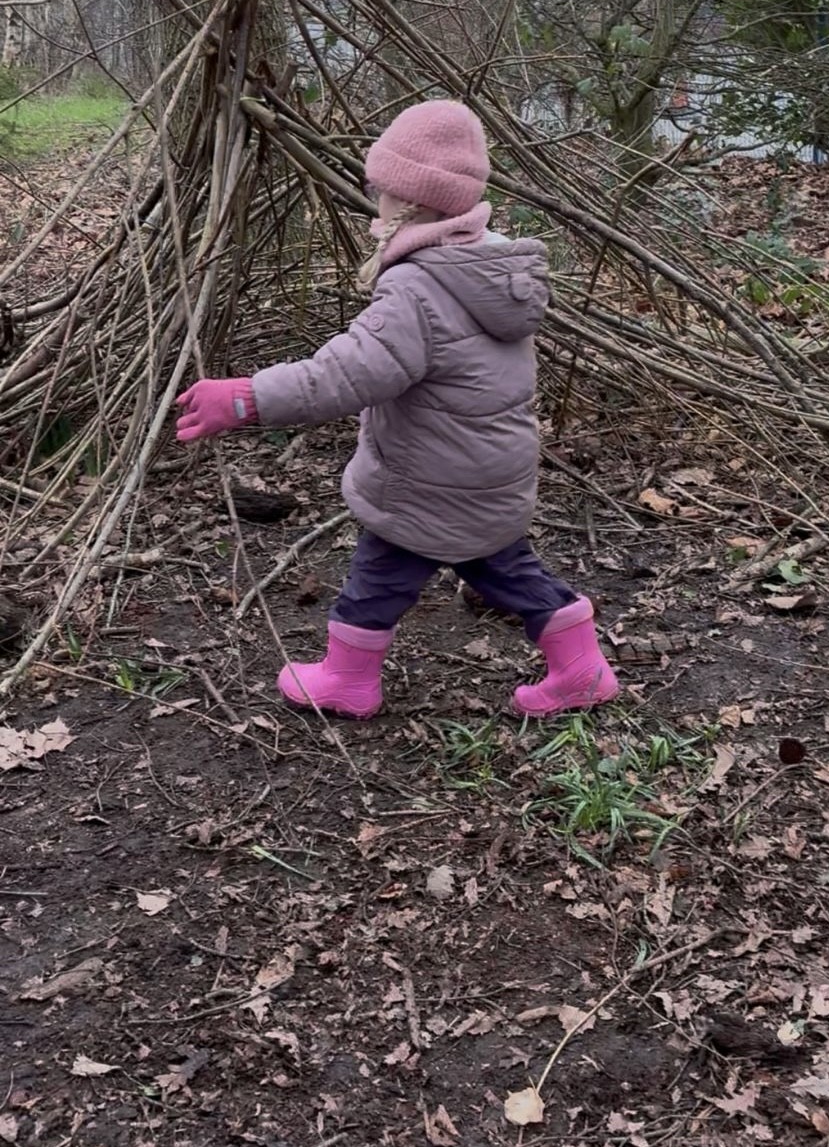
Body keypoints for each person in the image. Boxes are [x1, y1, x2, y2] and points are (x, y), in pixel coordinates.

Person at [175, 100, 619, 721]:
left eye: (379, 190)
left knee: (382, 570)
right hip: (489, 468)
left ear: (408, 204)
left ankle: (347, 680)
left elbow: (347, 373)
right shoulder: (487, 264)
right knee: (504, 566)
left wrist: (249, 397)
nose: (373, 203)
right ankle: (581, 667)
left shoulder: (418, 287)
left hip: (430, 480)